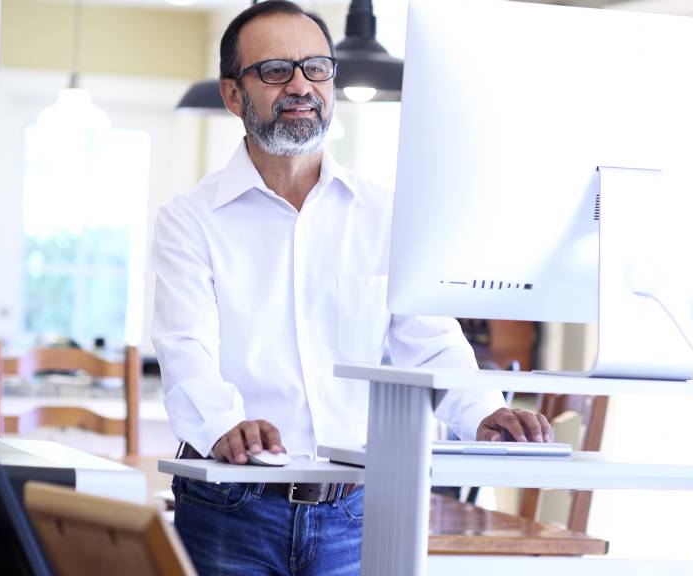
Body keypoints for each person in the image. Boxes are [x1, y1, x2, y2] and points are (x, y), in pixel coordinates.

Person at [150, 2, 554, 574]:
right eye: (275, 71)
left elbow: (432, 346)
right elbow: (186, 350)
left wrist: (484, 412)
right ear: (233, 95)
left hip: (359, 512)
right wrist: (224, 428)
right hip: (231, 508)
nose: (301, 86)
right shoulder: (189, 220)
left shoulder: (388, 216)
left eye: (317, 68)